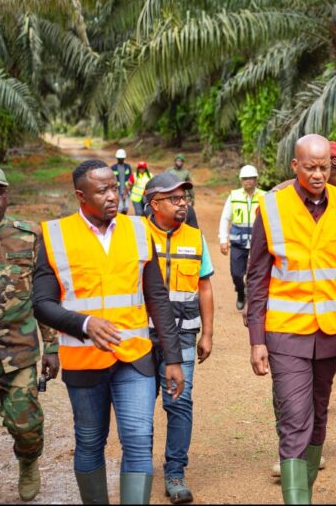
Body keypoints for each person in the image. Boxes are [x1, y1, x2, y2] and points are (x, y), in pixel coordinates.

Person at [32, 159, 184, 505]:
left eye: (114, 188)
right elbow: (41, 303)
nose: (113, 196)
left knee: (138, 438)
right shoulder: (55, 236)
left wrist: (173, 358)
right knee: (89, 441)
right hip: (84, 361)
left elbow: (157, 297)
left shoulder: (138, 230)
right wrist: (84, 324)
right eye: (102, 191)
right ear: (81, 196)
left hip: (135, 359)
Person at [246, 134, 336, 504]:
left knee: (317, 414)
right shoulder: (271, 207)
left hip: (332, 331)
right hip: (285, 332)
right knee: (295, 416)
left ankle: (305, 489)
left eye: (324, 167)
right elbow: (257, 277)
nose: (318, 174)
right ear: (295, 166)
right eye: (310, 167)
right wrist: (256, 339)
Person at [0, 164, 59, 504]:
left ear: (7, 194)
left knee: (26, 426)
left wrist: (51, 345)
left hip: (18, 351)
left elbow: (42, 296)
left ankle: (28, 460)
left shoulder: (29, 235)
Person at [145, 173, 214, 504]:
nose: (183, 203)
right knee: (139, 406)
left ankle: (175, 473)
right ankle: (139, 469)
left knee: (180, 403)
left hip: (184, 335)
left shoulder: (196, 238)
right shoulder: (135, 234)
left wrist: (208, 334)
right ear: (155, 204)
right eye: (174, 198)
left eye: (184, 197)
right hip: (140, 336)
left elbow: (205, 287)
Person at [219, 165, 266, 311]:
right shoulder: (234, 196)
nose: (248, 181)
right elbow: (225, 218)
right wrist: (223, 240)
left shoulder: (265, 196)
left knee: (257, 274)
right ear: (241, 180)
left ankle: (253, 301)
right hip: (238, 243)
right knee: (236, 274)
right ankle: (240, 292)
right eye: (245, 178)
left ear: (256, 179)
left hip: (258, 244)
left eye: (251, 178)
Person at [166, 154, 198, 228]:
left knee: (182, 211)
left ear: (183, 162)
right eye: (177, 161)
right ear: (174, 161)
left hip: (182, 196)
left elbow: (190, 186)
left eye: (181, 161)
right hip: (170, 195)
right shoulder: (169, 171)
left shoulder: (186, 172)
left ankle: (181, 226)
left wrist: (192, 198)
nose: (179, 162)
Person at [111, 149, 133, 215]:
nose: (121, 160)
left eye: (122, 158)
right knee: (120, 208)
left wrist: (127, 191)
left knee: (126, 207)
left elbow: (130, 179)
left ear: (124, 158)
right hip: (117, 190)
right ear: (117, 158)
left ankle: (124, 218)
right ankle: (120, 219)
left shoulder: (128, 167)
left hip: (126, 190)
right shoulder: (113, 168)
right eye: (119, 158)